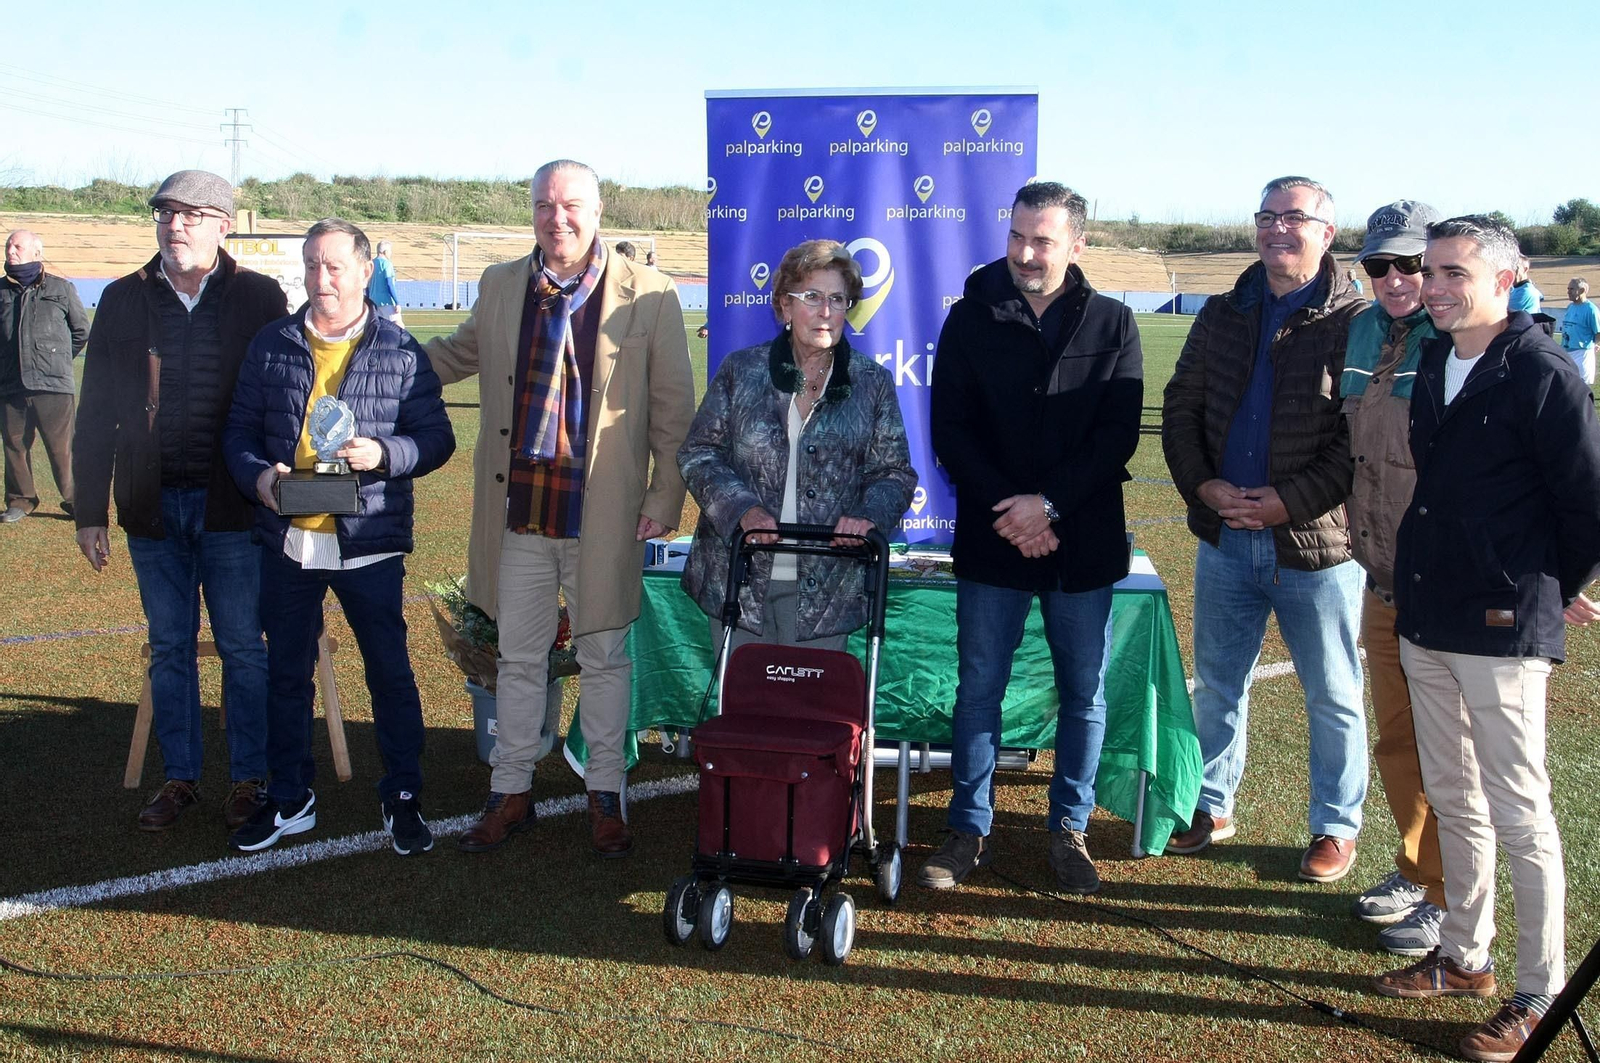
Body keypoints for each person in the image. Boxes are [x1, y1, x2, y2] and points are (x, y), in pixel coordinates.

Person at [1373, 215, 1600, 1063]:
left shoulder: (1542, 372)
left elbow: (1586, 504)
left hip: (1502, 626)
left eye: (1452, 272)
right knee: (1453, 792)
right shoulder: (1436, 356)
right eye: (1429, 271)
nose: (1432, 286)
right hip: (1429, 613)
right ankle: (1464, 957)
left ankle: (1538, 993)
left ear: (1507, 279)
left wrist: (1549, 584)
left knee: (1519, 808)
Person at [424, 159, 695, 858]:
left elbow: (673, 411)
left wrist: (666, 496)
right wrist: (376, 353)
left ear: (598, 212)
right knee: (518, 658)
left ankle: (605, 793)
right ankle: (510, 790)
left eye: (571, 204)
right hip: (520, 510)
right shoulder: (502, 284)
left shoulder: (652, 294)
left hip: (605, 513)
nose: (557, 217)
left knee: (605, 656)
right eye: (545, 205)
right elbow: (456, 355)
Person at [918, 181, 1144, 895]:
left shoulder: (1114, 322)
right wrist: (1014, 513)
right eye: (1016, 235)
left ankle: (1068, 829)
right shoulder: (969, 318)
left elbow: (1116, 438)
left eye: (1041, 239)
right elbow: (951, 431)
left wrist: (1047, 506)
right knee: (980, 686)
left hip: (1084, 542)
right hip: (993, 541)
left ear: (1077, 244)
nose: (1024, 252)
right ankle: (966, 827)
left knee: (1084, 691)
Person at [222, 218, 455, 855]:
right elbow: (238, 433)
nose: (320, 280)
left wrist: (383, 451)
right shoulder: (271, 343)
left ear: (362, 271)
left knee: (389, 672)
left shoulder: (403, 351)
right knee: (286, 675)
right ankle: (290, 797)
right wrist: (260, 479)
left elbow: (438, 439)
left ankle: (403, 792)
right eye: (311, 266)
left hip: (370, 536)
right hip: (289, 538)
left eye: (333, 267)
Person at [1161, 176, 1369, 883]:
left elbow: (1357, 441)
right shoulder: (1223, 311)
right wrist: (1203, 486)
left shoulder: (1356, 320)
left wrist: (1290, 501)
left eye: (1295, 217)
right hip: (1225, 537)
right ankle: (1212, 805)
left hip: (1317, 548)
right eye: (1267, 216)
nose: (1278, 228)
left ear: (1327, 233)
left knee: (1334, 693)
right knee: (1218, 684)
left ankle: (1335, 826)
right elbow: (1181, 404)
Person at [72, 170, 288, 833]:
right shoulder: (120, 299)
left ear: (226, 224)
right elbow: (97, 412)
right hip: (151, 508)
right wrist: (88, 511)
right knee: (169, 647)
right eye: (166, 213)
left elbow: (283, 397)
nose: (176, 226)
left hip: (232, 508)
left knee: (243, 649)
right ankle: (181, 777)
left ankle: (250, 777)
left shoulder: (260, 296)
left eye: (193, 214)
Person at [678, 239, 917, 653]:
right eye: (812, 297)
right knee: (744, 713)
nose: (826, 311)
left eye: (838, 299)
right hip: (741, 580)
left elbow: (894, 474)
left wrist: (865, 517)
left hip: (827, 592)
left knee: (812, 715)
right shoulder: (741, 370)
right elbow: (699, 452)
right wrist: (742, 511)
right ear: (785, 307)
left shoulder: (871, 383)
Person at [1340, 200, 1448, 955]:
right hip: (1381, 574)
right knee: (1398, 740)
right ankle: (1415, 868)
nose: (1396, 278)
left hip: (1446, 586)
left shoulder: (1461, 341)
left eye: (1410, 263)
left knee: (1454, 753)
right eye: (1380, 264)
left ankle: (1448, 896)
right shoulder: (1363, 329)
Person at [2, 229, 88, 523]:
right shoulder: (1, 290)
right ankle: (20, 500)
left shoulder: (61, 288)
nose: (10, 251)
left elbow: (81, 331)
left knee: (62, 448)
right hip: (10, 385)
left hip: (53, 385)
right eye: (8, 246)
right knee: (14, 445)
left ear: (36, 253)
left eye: (17, 246)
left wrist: (58, 360)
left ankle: (78, 501)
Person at [1560, 277, 1597, 385]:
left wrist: (1594, 344)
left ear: (1582, 291)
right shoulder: (1570, 307)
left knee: (1581, 389)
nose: (1568, 292)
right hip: (1566, 353)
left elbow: (1598, 332)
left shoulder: (1591, 310)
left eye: (1571, 289)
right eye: (1568, 289)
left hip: (1582, 354)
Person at [367, 239, 404, 328]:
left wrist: (368, 301)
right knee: (398, 326)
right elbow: (389, 284)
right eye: (390, 251)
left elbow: (367, 285)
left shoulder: (371, 264)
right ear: (386, 251)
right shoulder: (387, 264)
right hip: (386, 301)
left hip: (373, 302)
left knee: (381, 328)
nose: (391, 253)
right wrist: (397, 302)